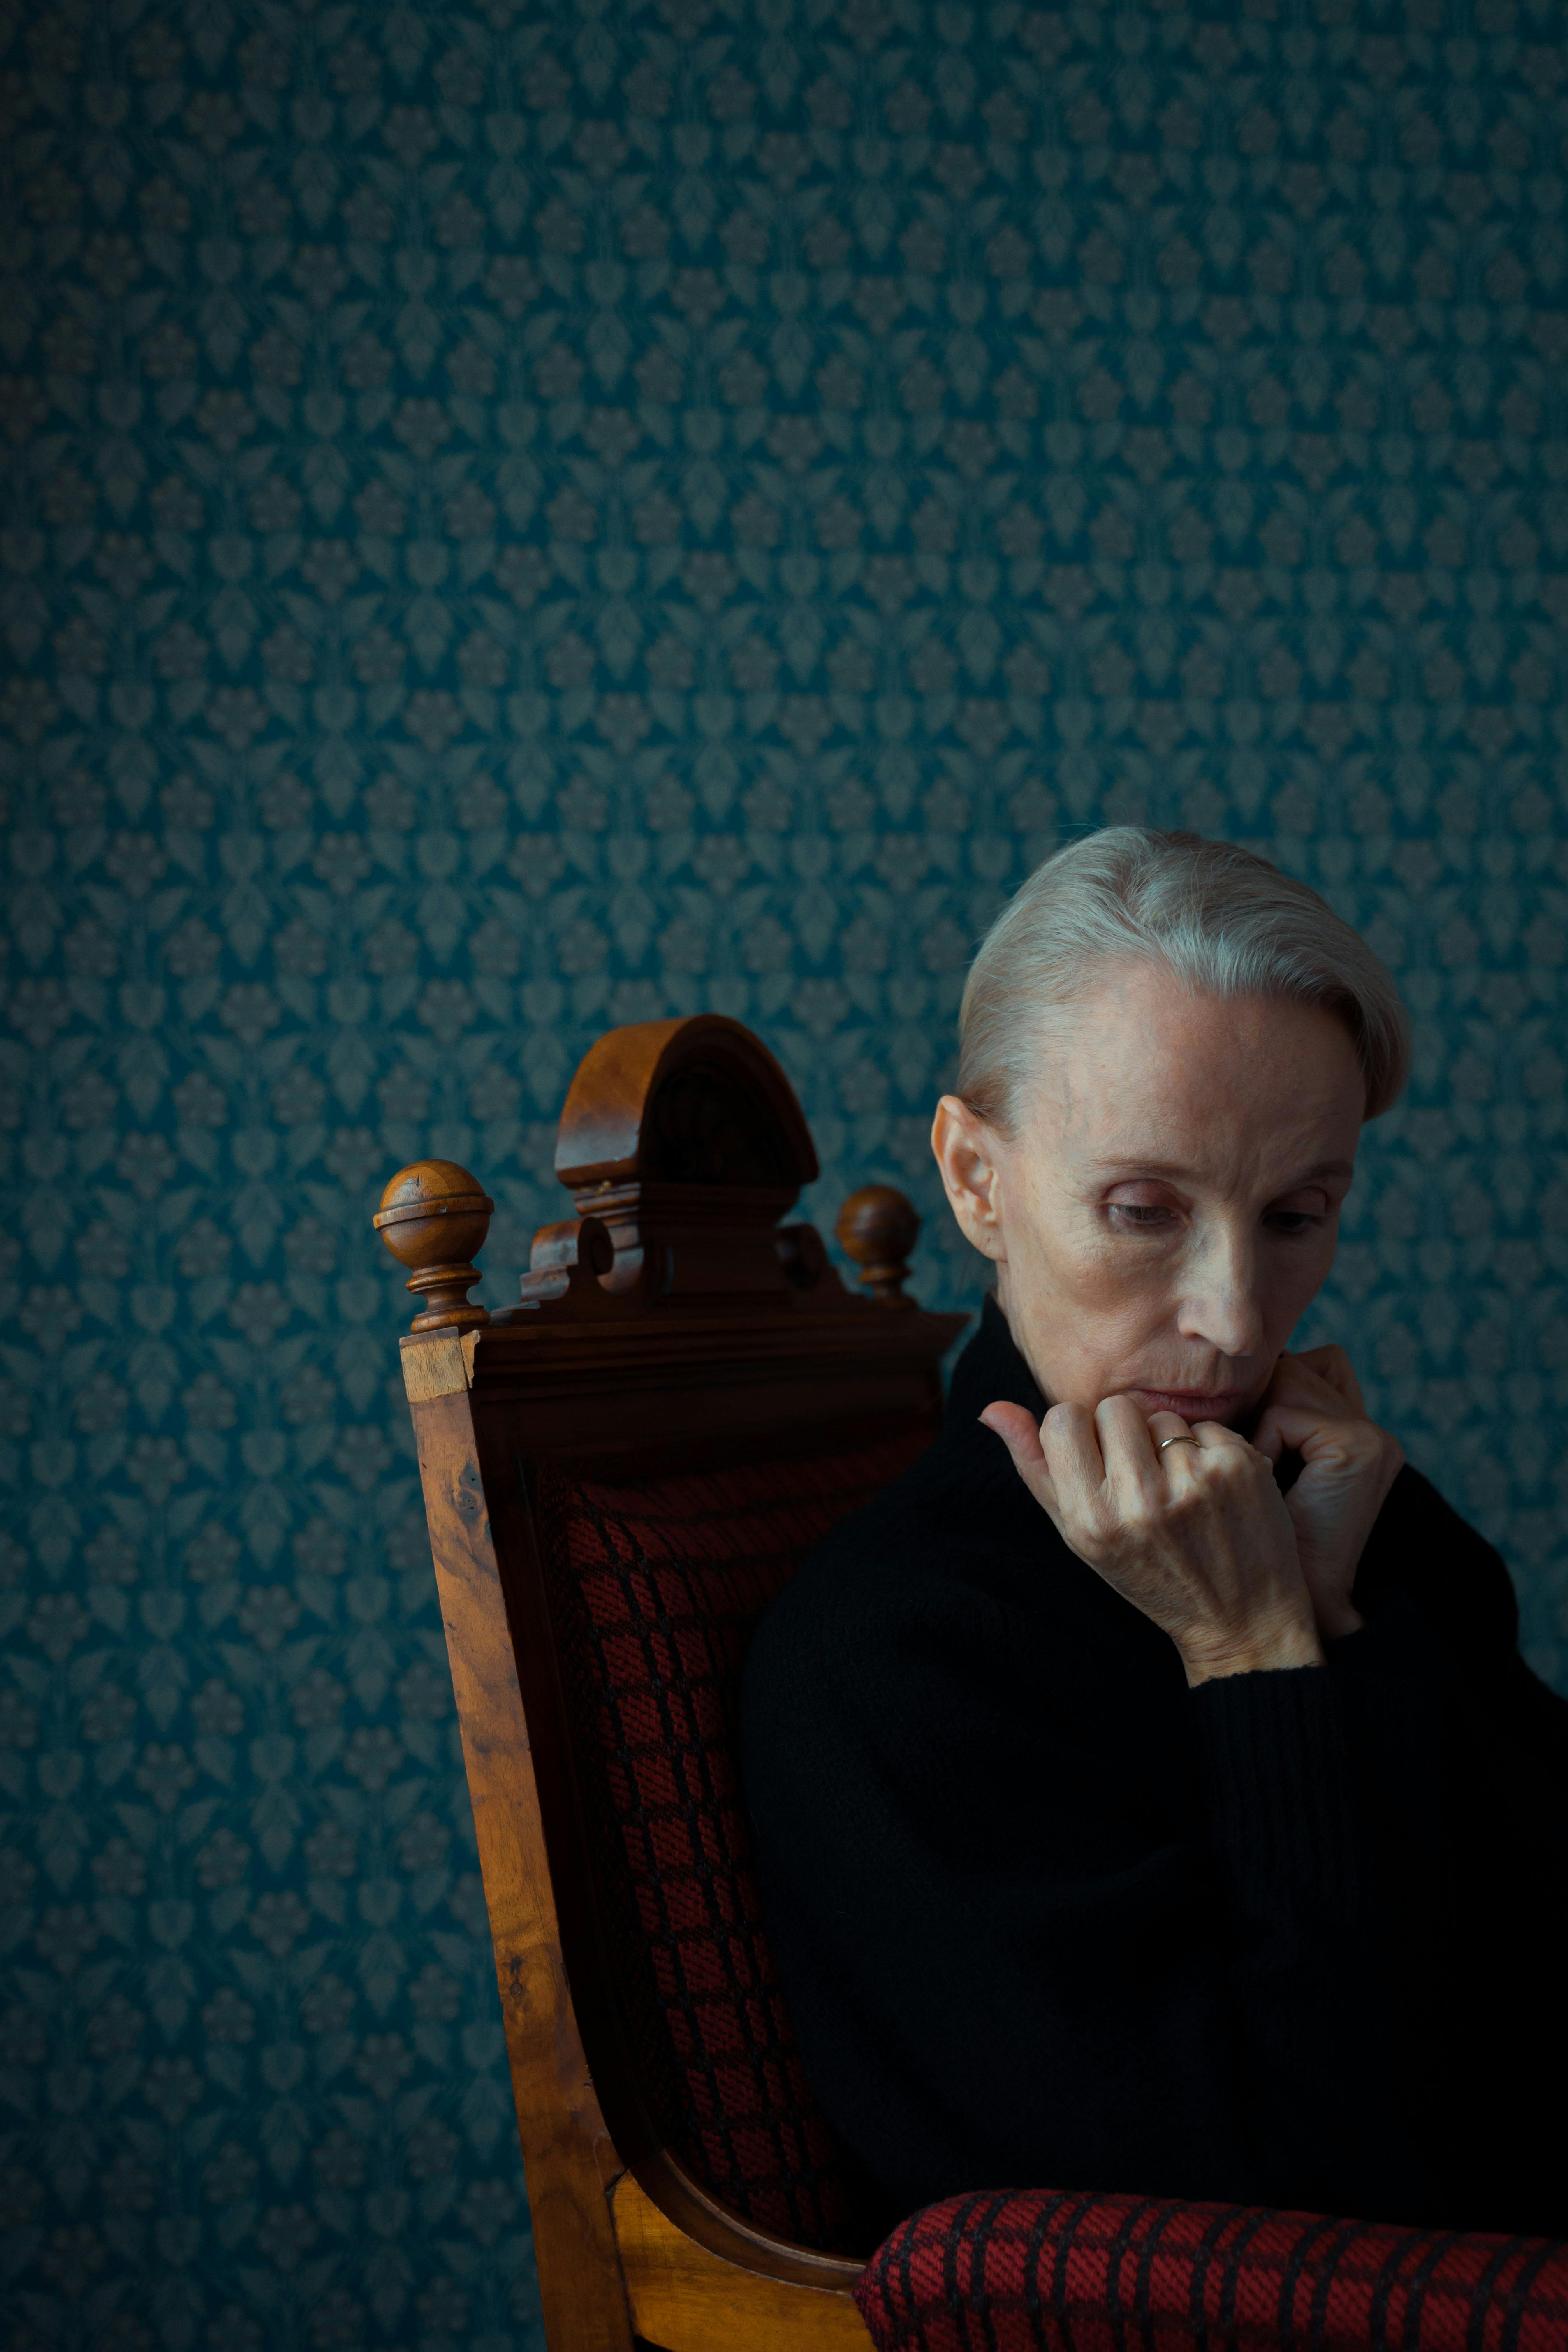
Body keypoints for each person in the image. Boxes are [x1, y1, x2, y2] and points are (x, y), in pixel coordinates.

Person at [739, 826, 1568, 2237]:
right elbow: (1302, 2224)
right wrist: (1257, 1664)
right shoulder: (887, 1663)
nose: (1238, 1322)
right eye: (1142, 1210)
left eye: (1299, 1215)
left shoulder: (1360, 1516)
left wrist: (1344, 1625)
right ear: (977, 1180)